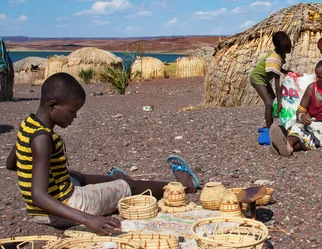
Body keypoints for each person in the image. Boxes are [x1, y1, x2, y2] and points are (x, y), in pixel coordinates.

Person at [5, 73, 201, 234]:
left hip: (46, 205)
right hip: (66, 206)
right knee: (127, 186)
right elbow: (38, 195)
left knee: (77, 176)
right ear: (52, 105)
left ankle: (113, 179)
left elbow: (12, 164)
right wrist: (89, 220)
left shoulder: (28, 125)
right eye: (72, 112)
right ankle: (183, 186)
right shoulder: (43, 139)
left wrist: (43, 171)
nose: (75, 117)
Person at [250, 31, 293, 129]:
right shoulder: (275, 58)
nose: (288, 49)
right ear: (279, 47)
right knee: (269, 104)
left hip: (264, 79)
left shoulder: (280, 53)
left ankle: (271, 125)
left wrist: (284, 71)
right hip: (257, 78)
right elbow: (276, 82)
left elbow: (276, 67)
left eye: (289, 46)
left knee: (273, 103)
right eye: (286, 48)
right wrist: (280, 102)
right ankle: (269, 129)